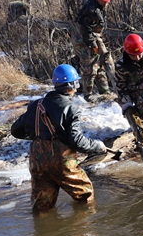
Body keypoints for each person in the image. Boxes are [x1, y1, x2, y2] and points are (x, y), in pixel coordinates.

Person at [11, 64, 107, 211]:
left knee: (42, 206)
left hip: (37, 161)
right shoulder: (71, 108)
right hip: (61, 161)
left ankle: (43, 225)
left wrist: (38, 137)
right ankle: (83, 224)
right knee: (85, 196)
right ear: (72, 85)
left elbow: (15, 130)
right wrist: (97, 146)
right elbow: (77, 142)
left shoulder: (35, 105)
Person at [71, 0, 114, 99]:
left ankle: (104, 92)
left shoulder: (99, 6)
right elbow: (86, 32)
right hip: (82, 39)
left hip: (91, 36)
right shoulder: (92, 11)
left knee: (99, 63)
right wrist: (93, 46)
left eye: (107, 1)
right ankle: (87, 95)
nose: (106, 3)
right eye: (104, 1)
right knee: (89, 66)